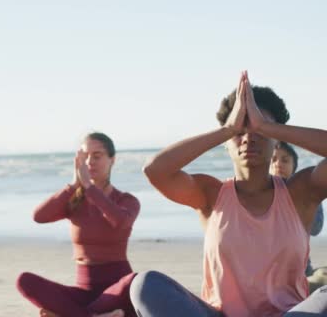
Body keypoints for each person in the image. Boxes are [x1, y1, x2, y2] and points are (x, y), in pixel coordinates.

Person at [134, 71, 327, 316]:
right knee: (145, 284)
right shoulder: (210, 195)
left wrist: (268, 126)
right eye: (240, 132)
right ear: (227, 142)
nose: (249, 138)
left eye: (259, 131)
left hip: (289, 314)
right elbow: (155, 169)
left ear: (277, 140)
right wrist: (227, 129)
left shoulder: (300, 193)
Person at [16, 132, 140, 317]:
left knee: (136, 281)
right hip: (83, 293)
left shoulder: (126, 200)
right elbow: (39, 216)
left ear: (112, 160)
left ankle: (72, 315)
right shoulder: (75, 201)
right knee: (24, 281)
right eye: (85, 156)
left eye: (97, 156)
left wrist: (89, 187)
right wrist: (74, 185)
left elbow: (120, 221)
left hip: (116, 292)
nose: (90, 161)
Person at [271, 141, 324, 276]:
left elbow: (316, 229)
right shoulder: (259, 194)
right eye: (273, 159)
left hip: (301, 268)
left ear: (294, 166)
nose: (278, 164)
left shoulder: (307, 191)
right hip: (267, 267)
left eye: (285, 160)